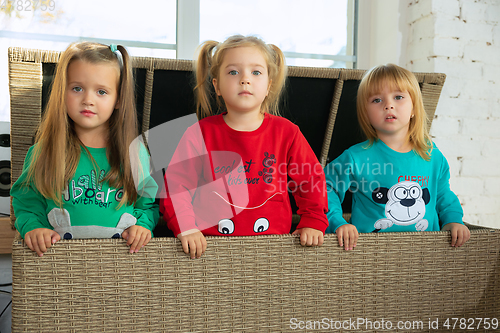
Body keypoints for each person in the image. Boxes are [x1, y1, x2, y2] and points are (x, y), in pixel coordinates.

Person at [160, 35, 328, 259]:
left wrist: (313, 219)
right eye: (233, 72)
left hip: (274, 250)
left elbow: (310, 179)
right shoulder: (199, 133)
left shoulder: (287, 132)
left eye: (256, 72)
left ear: (268, 86)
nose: (245, 79)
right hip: (209, 250)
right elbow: (176, 186)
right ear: (217, 86)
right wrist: (186, 226)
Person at [11, 42, 159, 257]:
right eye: (77, 88)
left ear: (118, 100)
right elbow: (26, 201)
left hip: (121, 264)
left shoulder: (134, 154)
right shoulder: (43, 152)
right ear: (62, 92)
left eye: (101, 91)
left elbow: (148, 205)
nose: (88, 100)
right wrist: (34, 228)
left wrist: (143, 227)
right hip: (58, 265)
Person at [324, 63, 470, 250]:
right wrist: (338, 222)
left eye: (398, 97)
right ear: (366, 113)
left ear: (414, 109)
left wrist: (453, 221)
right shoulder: (356, 158)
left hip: (426, 252)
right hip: (367, 253)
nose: (388, 105)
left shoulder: (432, 155)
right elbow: (324, 187)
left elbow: (442, 194)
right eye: (377, 100)